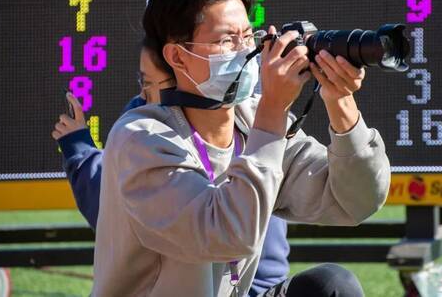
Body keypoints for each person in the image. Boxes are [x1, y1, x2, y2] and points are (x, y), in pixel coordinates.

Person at [93, 0, 390, 297]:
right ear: (177, 57)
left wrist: (340, 103)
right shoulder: (141, 139)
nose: (244, 51)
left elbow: (354, 201)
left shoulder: (250, 118)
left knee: (331, 287)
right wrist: (273, 111)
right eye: (225, 40)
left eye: (248, 36)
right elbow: (227, 235)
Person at [51, 42, 290, 296]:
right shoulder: (252, 110)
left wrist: (79, 149)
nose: (143, 95)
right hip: (261, 284)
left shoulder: (149, 125)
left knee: (327, 282)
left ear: (181, 69)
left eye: (148, 82)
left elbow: (110, 208)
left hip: (240, 285)